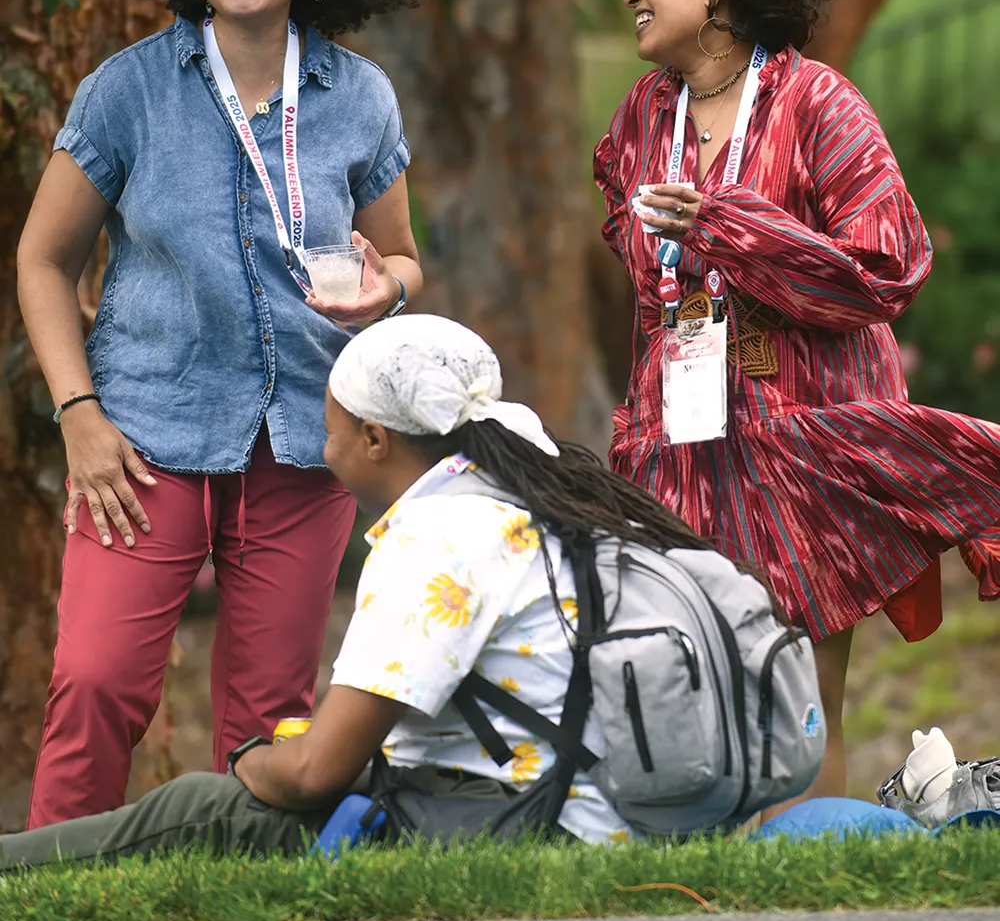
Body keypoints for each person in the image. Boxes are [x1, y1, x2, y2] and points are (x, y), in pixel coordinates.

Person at [0, 314, 730, 869]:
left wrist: (250, 761)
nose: (324, 453)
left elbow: (316, 770)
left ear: (376, 440)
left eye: (330, 431)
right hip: (622, 805)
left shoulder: (438, 533)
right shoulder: (548, 489)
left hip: (547, 821)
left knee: (205, 806)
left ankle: (21, 872)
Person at [16, 0, 424, 828]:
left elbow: (404, 258)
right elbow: (41, 260)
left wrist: (386, 289)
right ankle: (43, 891)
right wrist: (78, 414)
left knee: (271, 715)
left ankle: (245, 891)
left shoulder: (358, 94)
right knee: (98, 681)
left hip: (306, 441)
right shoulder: (129, 90)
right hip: (142, 438)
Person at [594, 0, 1000, 804]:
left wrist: (730, 225)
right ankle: (723, 877)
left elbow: (887, 265)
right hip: (682, 442)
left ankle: (811, 873)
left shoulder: (819, 101)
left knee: (798, 690)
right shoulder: (639, 118)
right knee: (695, 683)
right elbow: (634, 244)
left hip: (804, 440)